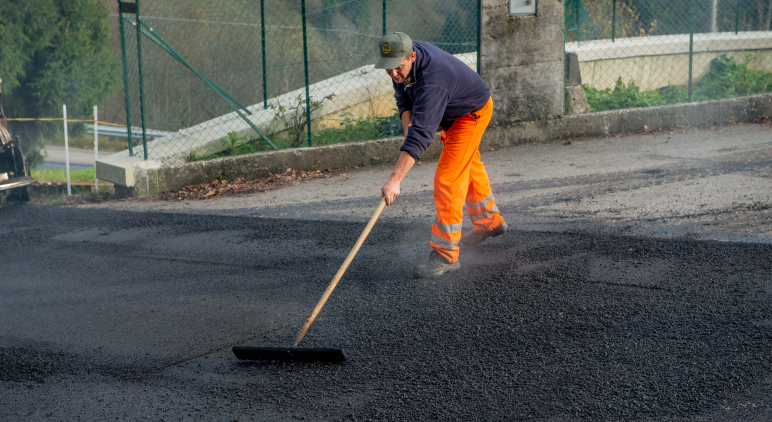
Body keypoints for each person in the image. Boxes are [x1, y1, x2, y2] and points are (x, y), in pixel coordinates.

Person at [374, 32, 507, 279]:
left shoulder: (432, 79)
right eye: (388, 69)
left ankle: (445, 254)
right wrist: (407, 122)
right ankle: (490, 222)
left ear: (412, 56)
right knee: (466, 165)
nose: (393, 74)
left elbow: (422, 137)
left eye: (398, 68)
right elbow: (403, 97)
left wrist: (394, 180)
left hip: (470, 114)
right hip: (454, 111)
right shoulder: (400, 63)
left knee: (447, 179)